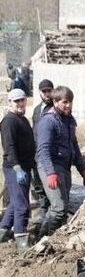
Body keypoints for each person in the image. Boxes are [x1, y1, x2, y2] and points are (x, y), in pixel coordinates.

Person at [35, 86, 85, 236]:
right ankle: (44, 238)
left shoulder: (68, 120)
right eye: (65, 102)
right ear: (55, 102)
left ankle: (50, 237)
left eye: (70, 102)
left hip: (64, 166)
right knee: (59, 208)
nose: (68, 105)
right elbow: (43, 150)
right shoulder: (48, 121)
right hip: (50, 166)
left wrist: (82, 169)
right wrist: (50, 173)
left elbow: (74, 145)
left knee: (62, 208)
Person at [0, 89, 35, 249]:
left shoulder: (23, 120)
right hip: (14, 168)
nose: (20, 104)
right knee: (22, 205)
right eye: (16, 101)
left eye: (22, 100)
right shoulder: (9, 121)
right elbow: (9, 147)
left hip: (25, 167)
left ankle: (2, 230)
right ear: (10, 103)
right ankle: (21, 239)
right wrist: (17, 168)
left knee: (16, 202)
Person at [30, 79, 54, 226]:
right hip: (37, 154)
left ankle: (53, 217)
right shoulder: (37, 110)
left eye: (49, 91)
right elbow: (34, 132)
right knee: (39, 185)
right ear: (39, 92)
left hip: (50, 156)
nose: (46, 94)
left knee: (52, 186)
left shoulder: (55, 109)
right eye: (44, 91)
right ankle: (44, 212)